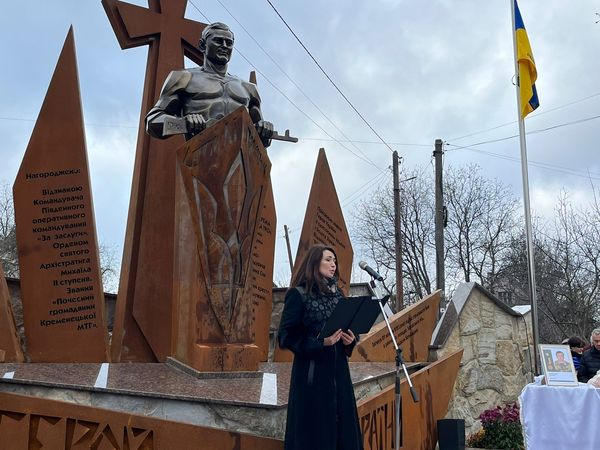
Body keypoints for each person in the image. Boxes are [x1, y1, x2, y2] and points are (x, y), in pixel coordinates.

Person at [278, 244, 363, 450]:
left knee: (344, 436)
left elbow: (349, 330)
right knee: (316, 438)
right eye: (328, 260)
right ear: (314, 262)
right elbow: (285, 336)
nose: (333, 265)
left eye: (334, 260)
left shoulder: (339, 296)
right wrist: (320, 343)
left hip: (339, 376)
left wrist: (350, 341)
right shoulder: (299, 295)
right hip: (312, 378)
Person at [145, 22, 273, 146]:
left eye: (229, 43)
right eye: (218, 41)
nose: (224, 46)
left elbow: (263, 142)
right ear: (202, 45)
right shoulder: (184, 78)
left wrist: (265, 129)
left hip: (240, 161)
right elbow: (152, 122)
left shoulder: (248, 88)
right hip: (200, 158)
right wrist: (184, 122)